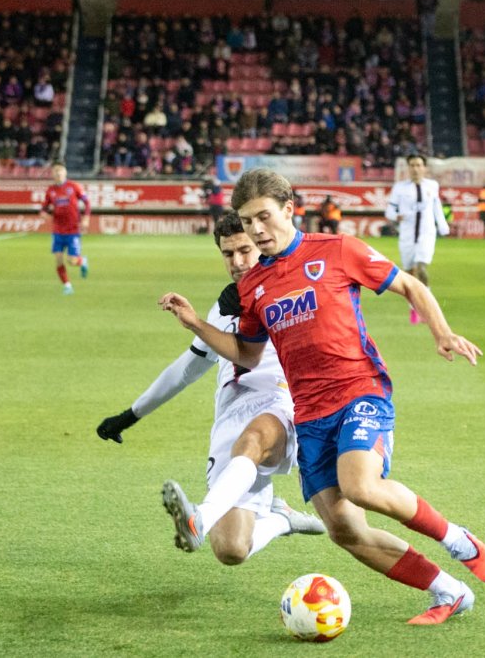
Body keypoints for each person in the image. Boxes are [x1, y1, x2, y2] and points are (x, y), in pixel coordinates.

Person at [158, 168, 485, 626]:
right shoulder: (254, 287)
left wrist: (442, 333)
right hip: (310, 414)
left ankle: (460, 540)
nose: (256, 230)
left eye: (263, 217)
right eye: (247, 220)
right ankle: (449, 591)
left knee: (360, 485)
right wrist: (198, 325)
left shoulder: (336, 250)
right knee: (345, 530)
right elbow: (248, 355)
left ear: (289, 210)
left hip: (360, 391)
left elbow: (410, 285)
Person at [97, 213, 326, 565]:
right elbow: (188, 369)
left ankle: (198, 517)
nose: (237, 262)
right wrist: (130, 415)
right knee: (231, 550)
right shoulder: (224, 306)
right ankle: (282, 519)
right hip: (230, 416)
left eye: (245, 251)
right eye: (227, 253)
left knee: (253, 441)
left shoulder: (290, 290)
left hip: (278, 401)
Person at [385, 154, 449, 323]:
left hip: (426, 234)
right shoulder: (400, 188)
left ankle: (428, 306)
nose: (415, 168)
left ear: (424, 168)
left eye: (419, 165)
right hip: (406, 235)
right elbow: (389, 211)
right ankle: (413, 308)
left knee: (421, 268)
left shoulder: (432, 186)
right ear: (408, 168)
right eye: (412, 165)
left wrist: (443, 226)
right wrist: (397, 216)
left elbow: (437, 207)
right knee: (409, 275)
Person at [40, 161, 91, 295]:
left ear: (65, 172)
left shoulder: (74, 186)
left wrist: (86, 218)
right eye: (55, 171)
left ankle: (82, 261)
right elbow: (44, 207)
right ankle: (67, 285)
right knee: (58, 260)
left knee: (72, 261)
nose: (58, 173)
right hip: (57, 230)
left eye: (60, 170)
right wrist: (44, 213)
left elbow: (87, 202)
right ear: (52, 174)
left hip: (73, 230)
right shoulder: (51, 190)